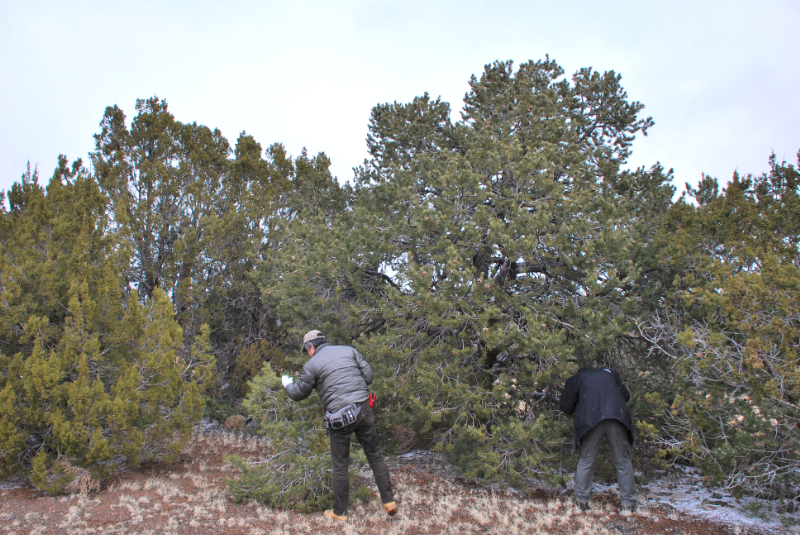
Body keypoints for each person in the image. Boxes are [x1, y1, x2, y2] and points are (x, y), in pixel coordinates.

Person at [282, 330, 397, 522]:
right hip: (364, 409)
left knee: (341, 465)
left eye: (307, 349)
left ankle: (339, 513)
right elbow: (368, 377)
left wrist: (287, 384)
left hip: (340, 418)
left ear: (310, 347)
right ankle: (389, 502)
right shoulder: (349, 350)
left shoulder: (311, 366)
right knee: (375, 457)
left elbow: (297, 394)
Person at [560, 367, 637, 512]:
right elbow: (625, 396)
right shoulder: (609, 373)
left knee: (586, 460)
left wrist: (580, 403)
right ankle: (629, 503)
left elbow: (566, 406)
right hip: (616, 417)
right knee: (623, 461)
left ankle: (581, 501)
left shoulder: (577, 379)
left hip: (591, 421)